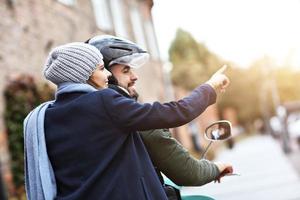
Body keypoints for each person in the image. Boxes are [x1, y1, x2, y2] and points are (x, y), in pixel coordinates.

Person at [24, 42, 230, 200]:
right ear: (84, 74)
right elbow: (173, 113)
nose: (106, 75)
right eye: (100, 69)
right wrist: (209, 88)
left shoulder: (46, 116)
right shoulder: (104, 102)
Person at [87, 35, 233, 198]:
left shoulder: (79, 116)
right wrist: (217, 167)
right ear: (107, 77)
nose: (135, 76)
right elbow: (189, 172)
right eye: (126, 70)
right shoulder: (131, 118)